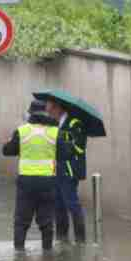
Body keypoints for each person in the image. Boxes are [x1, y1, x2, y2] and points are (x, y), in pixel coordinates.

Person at [1, 99, 59, 251]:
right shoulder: (54, 132)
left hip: (26, 182)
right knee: (46, 222)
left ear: (30, 113)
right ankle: (47, 256)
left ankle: (19, 255)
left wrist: (7, 143)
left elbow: (7, 151)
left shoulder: (22, 131)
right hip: (47, 182)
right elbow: (66, 153)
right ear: (46, 113)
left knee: (21, 221)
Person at [44, 97, 88, 245]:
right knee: (58, 204)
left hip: (70, 169)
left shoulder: (75, 123)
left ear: (57, 108)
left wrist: (60, 139)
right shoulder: (55, 124)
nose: (49, 113)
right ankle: (62, 238)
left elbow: (79, 147)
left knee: (71, 203)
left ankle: (80, 240)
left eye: (50, 110)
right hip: (57, 169)